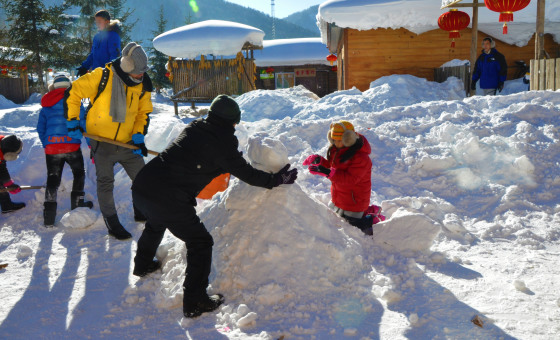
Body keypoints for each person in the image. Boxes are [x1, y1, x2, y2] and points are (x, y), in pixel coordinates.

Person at [131, 95, 298, 318]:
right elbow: (247, 173)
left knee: (156, 222)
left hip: (144, 185)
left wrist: (221, 162)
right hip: (168, 196)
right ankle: (195, 301)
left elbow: (199, 154)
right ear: (232, 122)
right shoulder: (223, 145)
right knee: (200, 242)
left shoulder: (196, 127)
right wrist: (277, 180)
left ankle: (142, 264)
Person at [65, 42, 153, 240]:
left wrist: (138, 135)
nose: (141, 77)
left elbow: (143, 112)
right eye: (137, 73)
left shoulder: (142, 84)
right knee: (105, 183)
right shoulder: (102, 76)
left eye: (142, 73)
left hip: (128, 143)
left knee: (143, 180)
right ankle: (112, 223)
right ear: (127, 67)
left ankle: (141, 212)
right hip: (101, 142)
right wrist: (72, 120)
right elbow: (74, 92)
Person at [303, 121, 382, 235]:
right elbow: (333, 168)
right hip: (340, 195)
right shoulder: (336, 150)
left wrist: (327, 172)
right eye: (333, 139)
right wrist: (320, 161)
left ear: (348, 139)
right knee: (335, 215)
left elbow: (350, 180)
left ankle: (371, 216)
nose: (336, 143)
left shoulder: (361, 158)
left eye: (339, 140)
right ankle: (364, 212)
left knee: (354, 225)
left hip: (355, 200)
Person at [37, 74, 93, 227]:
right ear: (69, 87)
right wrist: (91, 145)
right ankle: (77, 205)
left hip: (52, 148)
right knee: (79, 174)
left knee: (53, 178)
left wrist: (47, 144)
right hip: (71, 147)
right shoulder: (74, 101)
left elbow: (40, 128)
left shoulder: (46, 105)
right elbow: (84, 125)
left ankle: (48, 218)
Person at [76, 9, 121, 77]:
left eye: (99, 21)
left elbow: (115, 55)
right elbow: (93, 55)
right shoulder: (97, 37)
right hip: (96, 74)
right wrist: (84, 67)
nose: (97, 24)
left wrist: (109, 71)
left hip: (107, 75)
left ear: (107, 22)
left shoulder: (113, 36)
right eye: (96, 22)